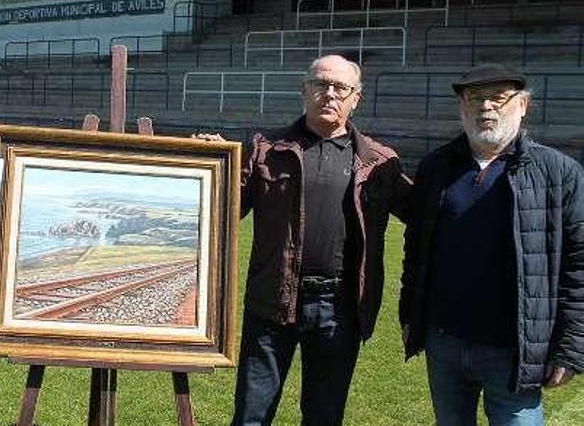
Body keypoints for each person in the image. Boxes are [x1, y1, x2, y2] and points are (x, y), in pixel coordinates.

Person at [199, 54, 411, 425]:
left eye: (340, 87)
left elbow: (427, 215)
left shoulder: (380, 163)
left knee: (324, 416)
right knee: (251, 414)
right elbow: (224, 206)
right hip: (271, 302)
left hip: (339, 308)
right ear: (304, 90)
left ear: (355, 98)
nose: (329, 93)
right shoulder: (267, 151)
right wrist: (210, 163)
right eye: (320, 84)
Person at [399, 63, 583, 425]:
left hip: (514, 350)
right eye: (475, 98)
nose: (486, 107)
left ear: (523, 105)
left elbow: (579, 264)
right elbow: (415, 249)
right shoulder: (436, 168)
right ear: (461, 107)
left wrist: (571, 347)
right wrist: (410, 313)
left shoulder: (558, 172)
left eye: (498, 98)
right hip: (445, 344)